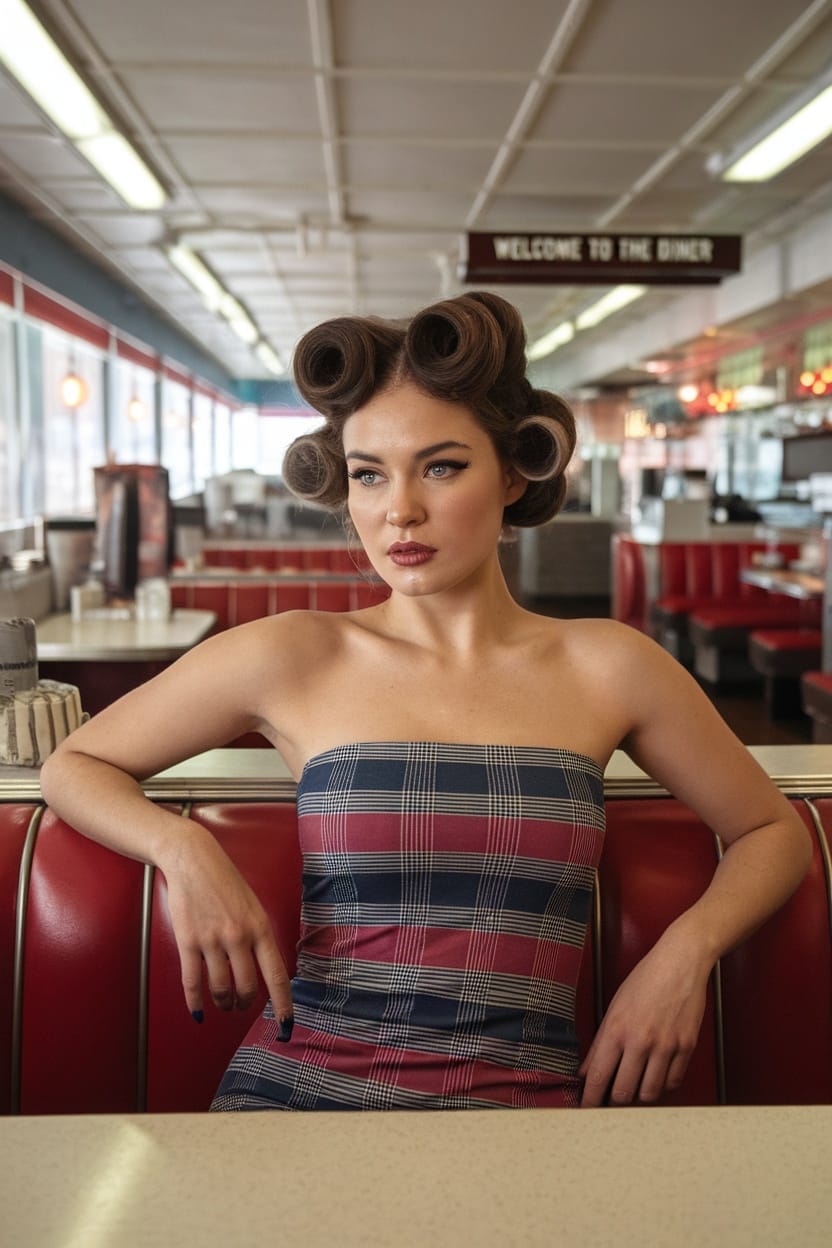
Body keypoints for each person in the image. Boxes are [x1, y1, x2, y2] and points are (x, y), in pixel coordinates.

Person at [40, 292, 811, 1112]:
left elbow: (770, 832)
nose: (398, 508)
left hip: (526, 1104)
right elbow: (74, 764)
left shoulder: (610, 664)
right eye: (369, 474)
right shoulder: (293, 653)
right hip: (299, 1090)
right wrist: (182, 851)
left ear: (514, 471)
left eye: (441, 466)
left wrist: (681, 955)